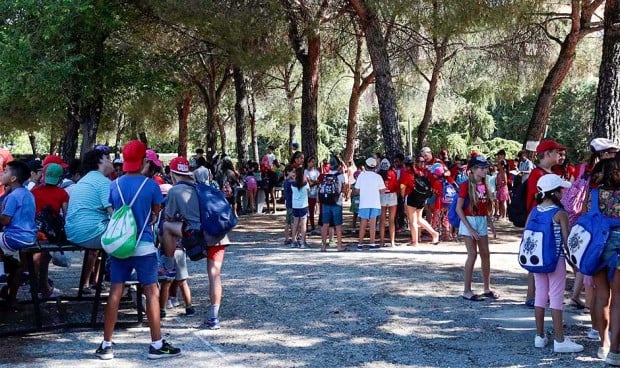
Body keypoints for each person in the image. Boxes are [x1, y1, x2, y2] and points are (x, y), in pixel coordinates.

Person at [95, 140, 180, 360]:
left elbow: (113, 209)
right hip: (143, 244)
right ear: (143, 160)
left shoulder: (113, 185)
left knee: (115, 291)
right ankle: (156, 343)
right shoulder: (150, 185)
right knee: (151, 291)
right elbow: (155, 212)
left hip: (120, 245)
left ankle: (106, 344)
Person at [529, 174, 583, 353]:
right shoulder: (560, 213)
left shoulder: (535, 211)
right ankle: (560, 340)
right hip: (555, 260)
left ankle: (539, 336)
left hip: (537, 260)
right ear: (555, 193)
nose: (563, 193)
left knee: (540, 295)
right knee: (557, 296)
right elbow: (567, 241)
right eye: (561, 190)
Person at [65, 148, 114, 293]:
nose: (111, 162)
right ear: (100, 161)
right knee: (130, 239)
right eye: (108, 158)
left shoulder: (84, 180)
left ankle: (97, 281)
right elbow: (114, 213)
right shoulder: (103, 182)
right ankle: (124, 284)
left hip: (73, 232)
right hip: (89, 234)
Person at [524, 139, 566, 308]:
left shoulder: (551, 172)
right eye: (557, 152)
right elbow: (537, 201)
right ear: (548, 154)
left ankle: (540, 295)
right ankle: (531, 295)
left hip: (547, 222)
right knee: (536, 258)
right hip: (539, 223)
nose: (560, 155)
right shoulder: (538, 174)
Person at [159, 157, 200, 318]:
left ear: (173, 174)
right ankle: (189, 307)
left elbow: (169, 217)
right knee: (183, 280)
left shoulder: (174, 191)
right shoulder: (196, 188)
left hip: (177, 240)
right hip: (184, 246)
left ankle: (161, 310)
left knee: (166, 279)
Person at [455, 155, 497, 301]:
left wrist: (491, 223)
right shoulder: (466, 185)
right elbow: (458, 208)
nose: (485, 170)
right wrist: (470, 229)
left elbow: (486, 207)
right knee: (472, 254)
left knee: (485, 253)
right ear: (472, 170)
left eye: (486, 167)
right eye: (481, 167)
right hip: (469, 221)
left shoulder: (486, 184)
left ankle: (487, 288)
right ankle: (467, 290)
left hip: (482, 220)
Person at [0, 161, 37, 308]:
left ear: (13, 178)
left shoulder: (13, 197)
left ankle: (1, 275)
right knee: (18, 267)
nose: (2, 173)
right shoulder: (27, 194)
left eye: (5, 171)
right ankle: (11, 297)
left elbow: (5, 220)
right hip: (29, 237)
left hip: (14, 237)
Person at [31, 163, 69, 298]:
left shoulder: (35, 191)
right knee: (45, 258)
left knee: (36, 257)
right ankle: (44, 287)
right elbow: (66, 214)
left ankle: (35, 284)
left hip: (35, 229)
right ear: (60, 178)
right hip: (50, 232)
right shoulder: (62, 193)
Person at [401, 157, 439, 246]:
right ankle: (434, 233)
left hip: (411, 198)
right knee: (419, 219)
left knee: (413, 220)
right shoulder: (419, 172)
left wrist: (403, 197)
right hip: (421, 198)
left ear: (405, 165)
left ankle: (415, 241)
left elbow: (402, 187)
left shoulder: (407, 174)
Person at [355, 157, 385, 251]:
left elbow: (356, 190)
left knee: (363, 224)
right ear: (375, 167)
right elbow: (383, 191)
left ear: (366, 166)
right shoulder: (378, 177)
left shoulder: (361, 176)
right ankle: (372, 243)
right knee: (373, 224)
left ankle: (360, 244)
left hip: (364, 203)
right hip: (375, 203)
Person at [319, 157, 346, 252]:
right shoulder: (341, 176)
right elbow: (344, 188)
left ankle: (323, 246)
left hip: (326, 202)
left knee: (325, 224)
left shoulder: (325, 176)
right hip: (337, 202)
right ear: (338, 165)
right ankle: (339, 246)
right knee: (338, 225)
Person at [378, 159, 398, 247]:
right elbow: (396, 185)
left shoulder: (378, 174)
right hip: (392, 195)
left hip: (381, 196)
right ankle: (392, 242)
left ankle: (382, 241)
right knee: (391, 220)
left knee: (382, 220)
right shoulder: (393, 173)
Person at [291, 166, 310, 248]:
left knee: (295, 224)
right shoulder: (305, 184)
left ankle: (293, 241)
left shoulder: (292, 184)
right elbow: (309, 191)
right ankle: (303, 242)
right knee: (303, 224)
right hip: (303, 206)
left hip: (295, 206)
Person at [304, 156, 320, 234]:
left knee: (312, 211)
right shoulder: (305, 172)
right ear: (308, 162)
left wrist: (313, 182)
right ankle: (305, 226)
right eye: (311, 162)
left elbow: (318, 182)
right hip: (306, 194)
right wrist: (314, 182)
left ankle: (313, 225)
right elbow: (308, 183)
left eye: (314, 162)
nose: (313, 163)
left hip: (314, 193)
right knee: (306, 211)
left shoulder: (317, 172)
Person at [282, 165, 295, 246]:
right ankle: (294, 238)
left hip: (288, 203)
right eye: (292, 172)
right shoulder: (291, 182)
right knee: (292, 222)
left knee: (287, 222)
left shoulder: (285, 182)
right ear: (288, 172)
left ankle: (287, 238)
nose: (294, 173)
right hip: (292, 204)